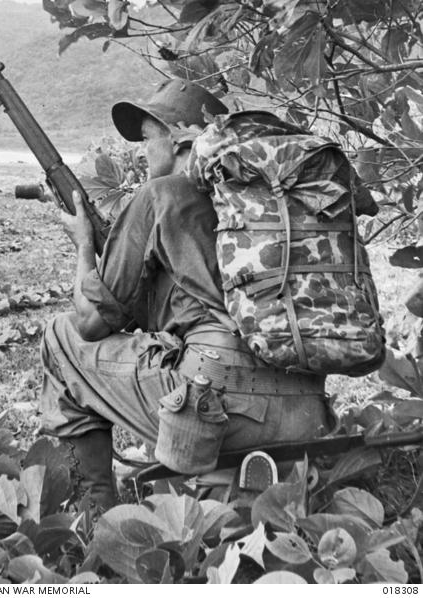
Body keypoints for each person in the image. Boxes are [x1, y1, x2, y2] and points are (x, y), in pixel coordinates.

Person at [39, 79, 335, 512]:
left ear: (179, 137)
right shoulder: (268, 206)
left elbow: (89, 323)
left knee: (60, 338)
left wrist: (85, 244)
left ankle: (95, 511)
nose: (144, 152)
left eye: (147, 138)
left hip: (217, 409)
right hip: (307, 412)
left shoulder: (161, 194)